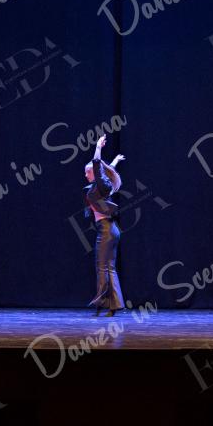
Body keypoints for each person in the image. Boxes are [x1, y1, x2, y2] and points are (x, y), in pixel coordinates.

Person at [84, 134, 125, 317]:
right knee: (108, 267)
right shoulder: (101, 186)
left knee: (102, 267)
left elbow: (97, 164)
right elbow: (106, 172)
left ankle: (103, 303)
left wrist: (98, 147)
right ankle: (112, 304)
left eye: (88, 172)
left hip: (107, 229)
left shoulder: (101, 185)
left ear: (95, 172)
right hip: (110, 229)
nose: (86, 175)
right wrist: (115, 161)